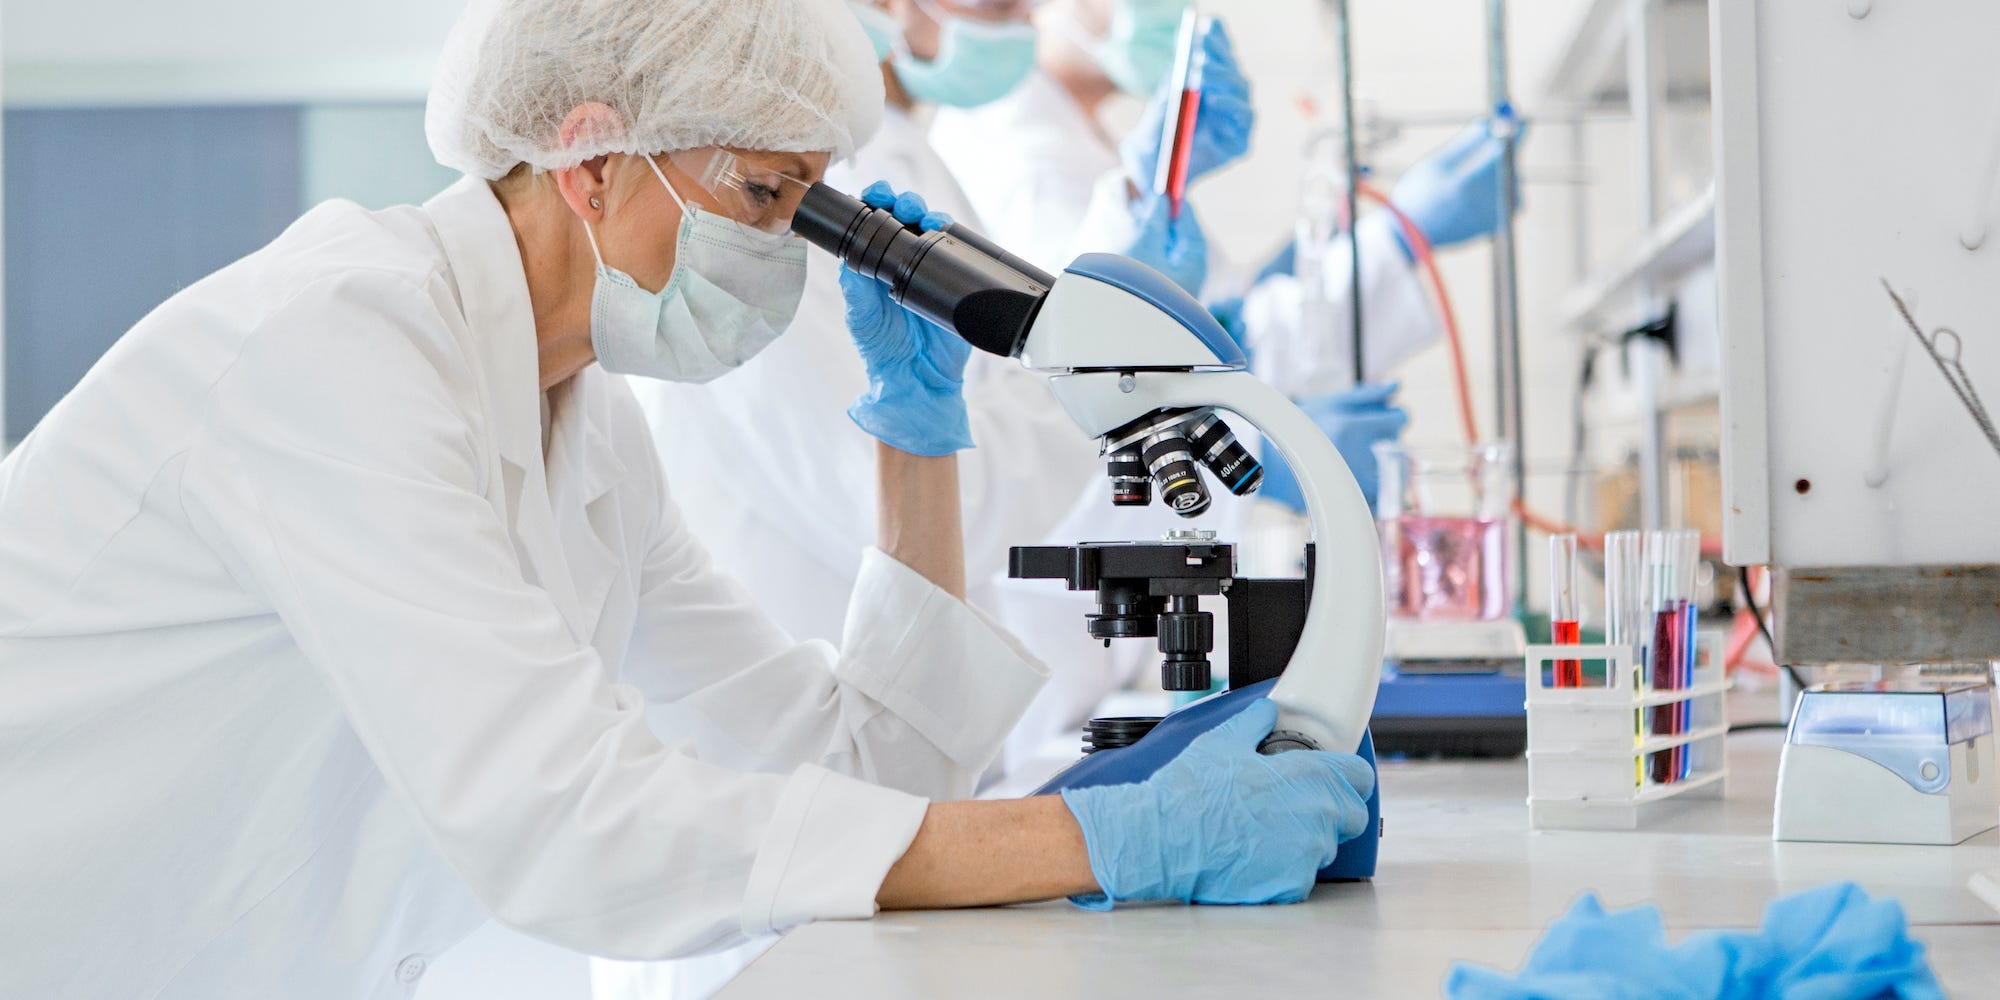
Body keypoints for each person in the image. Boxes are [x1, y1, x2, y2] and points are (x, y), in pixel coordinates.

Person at [0, 1, 1374, 997]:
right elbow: (568, 822)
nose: (783, 254)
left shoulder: (585, 433)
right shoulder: (331, 352)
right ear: (592, 162)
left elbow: (861, 774)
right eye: (767, 199)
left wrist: (918, 433)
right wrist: (1101, 842)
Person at [630, 0, 1243, 785]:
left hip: (910, 752)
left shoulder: (902, 158)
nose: (1025, 10)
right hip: (801, 781)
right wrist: (1102, 357)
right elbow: (919, 504)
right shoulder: (762, 204)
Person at [931, 0, 1520, 518]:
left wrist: (1323, 238)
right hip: (1094, 572)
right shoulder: (1025, 156)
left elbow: (1218, 322)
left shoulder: (1086, 136)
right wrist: (1404, 233)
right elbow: (1095, 394)